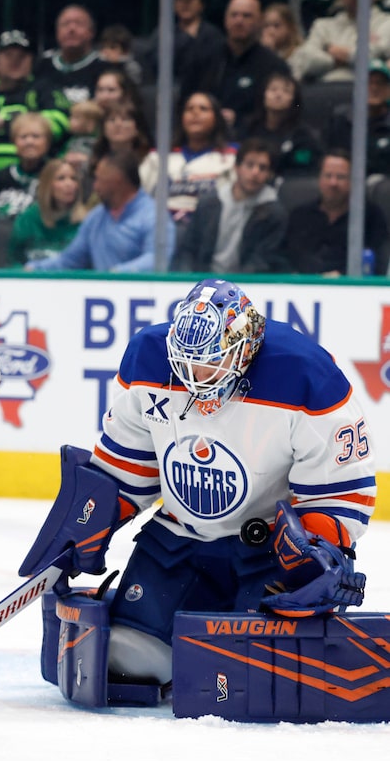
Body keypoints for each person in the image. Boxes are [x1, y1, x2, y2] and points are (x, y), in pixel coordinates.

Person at [24, 278, 373, 700]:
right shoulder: (149, 358)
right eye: (187, 364)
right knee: (127, 660)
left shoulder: (305, 374)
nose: (197, 378)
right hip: (177, 540)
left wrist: (314, 551)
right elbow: (127, 465)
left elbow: (339, 490)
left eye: (211, 363)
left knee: (254, 674)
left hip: (268, 551)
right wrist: (88, 521)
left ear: (245, 348)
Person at [26, 150, 174, 272]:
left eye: (99, 179)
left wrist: (118, 274)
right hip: (102, 293)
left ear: (116, 181)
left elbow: (158, 260)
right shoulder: (96, 217)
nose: (95, 187)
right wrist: (35, 268)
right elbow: (70, 260)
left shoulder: (154, 216)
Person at [171, 139, 287, 274]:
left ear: (269, 175)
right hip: (204, 279)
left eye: (262, 168)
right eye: (250, 165)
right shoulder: (209, 203)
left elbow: (262, 261)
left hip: (247, 283)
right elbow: (189, 250)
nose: (255, 172)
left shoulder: (274, 213)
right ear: (236, 167)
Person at [0, 29, 65, 180]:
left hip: (27, 172)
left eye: (22, 56)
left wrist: (3, 124)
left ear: (32, 61)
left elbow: (58, 124)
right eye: (8, 55)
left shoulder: (43, 89)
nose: (15, 61)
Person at [279, 148, 389, 276]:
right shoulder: (299, 216)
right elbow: (282, 255)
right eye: (328, 175)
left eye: (340, 177)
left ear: (352, 181)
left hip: (349, 286)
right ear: (319, 178)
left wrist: (343, 275)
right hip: (299, 286)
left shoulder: (371, 217)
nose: (333, 183)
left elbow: (379, 262)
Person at [185, 0, 290, 126]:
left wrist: (240, 120)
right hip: (206, 134)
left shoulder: (274, 66)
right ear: (225, 19)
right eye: (234, 15)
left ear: (260, 22)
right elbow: (185, 102)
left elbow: (282, 114)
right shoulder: (204, 59)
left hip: (254, 135)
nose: (239, 21)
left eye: (247, 16)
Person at [139, 90, 236, 222]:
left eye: (203, 109)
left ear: (216, 118)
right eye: (189, 109)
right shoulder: (158, 157)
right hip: (161, 226)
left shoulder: (231, 157)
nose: (195, 113)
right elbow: (139, 198)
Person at [290, 0, 390, 84]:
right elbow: (307, 59)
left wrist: (346, 55)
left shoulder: (386, 23)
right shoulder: (323, 25)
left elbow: (373, 58)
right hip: (324, 87)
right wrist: (334, 61)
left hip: (367, 89)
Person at [236, 71, 321, 178]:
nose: (278, 95)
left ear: (294, 100)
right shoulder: (249, 126)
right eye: (273, 89)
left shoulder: (303, 135)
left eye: (286, 91)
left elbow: (303, 164)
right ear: (263, 95)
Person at [8, 158, 90, 266]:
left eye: (73, 178)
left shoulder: (86, 222)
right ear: (47, 184)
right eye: (61, 178)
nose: (69, 184)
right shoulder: (28, 219)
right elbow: (13, 259)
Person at [0, 110, 51, 220]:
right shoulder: (0, 177)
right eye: (23, 137)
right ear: (14, 142)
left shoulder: (57, 175)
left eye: (36, 136)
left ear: (48, 141)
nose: (29, 142)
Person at [326, 60, 390, 177]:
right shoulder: (340, 120)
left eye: (380, 83)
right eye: (368, 82)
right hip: (345, 181)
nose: (374, 88)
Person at [34, 4, 105, 109]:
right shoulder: (42, 65)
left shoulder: (104, 67)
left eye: (79, 23)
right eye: (65, 24)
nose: (71, 29)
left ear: (91, 32)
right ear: (57, 32)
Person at [260, 2, 306, 81]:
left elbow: (293, 79)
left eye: (276, 25)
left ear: (290, 27)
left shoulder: (300, 53)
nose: (270, 31)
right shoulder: (259, 53)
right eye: (266, 26)